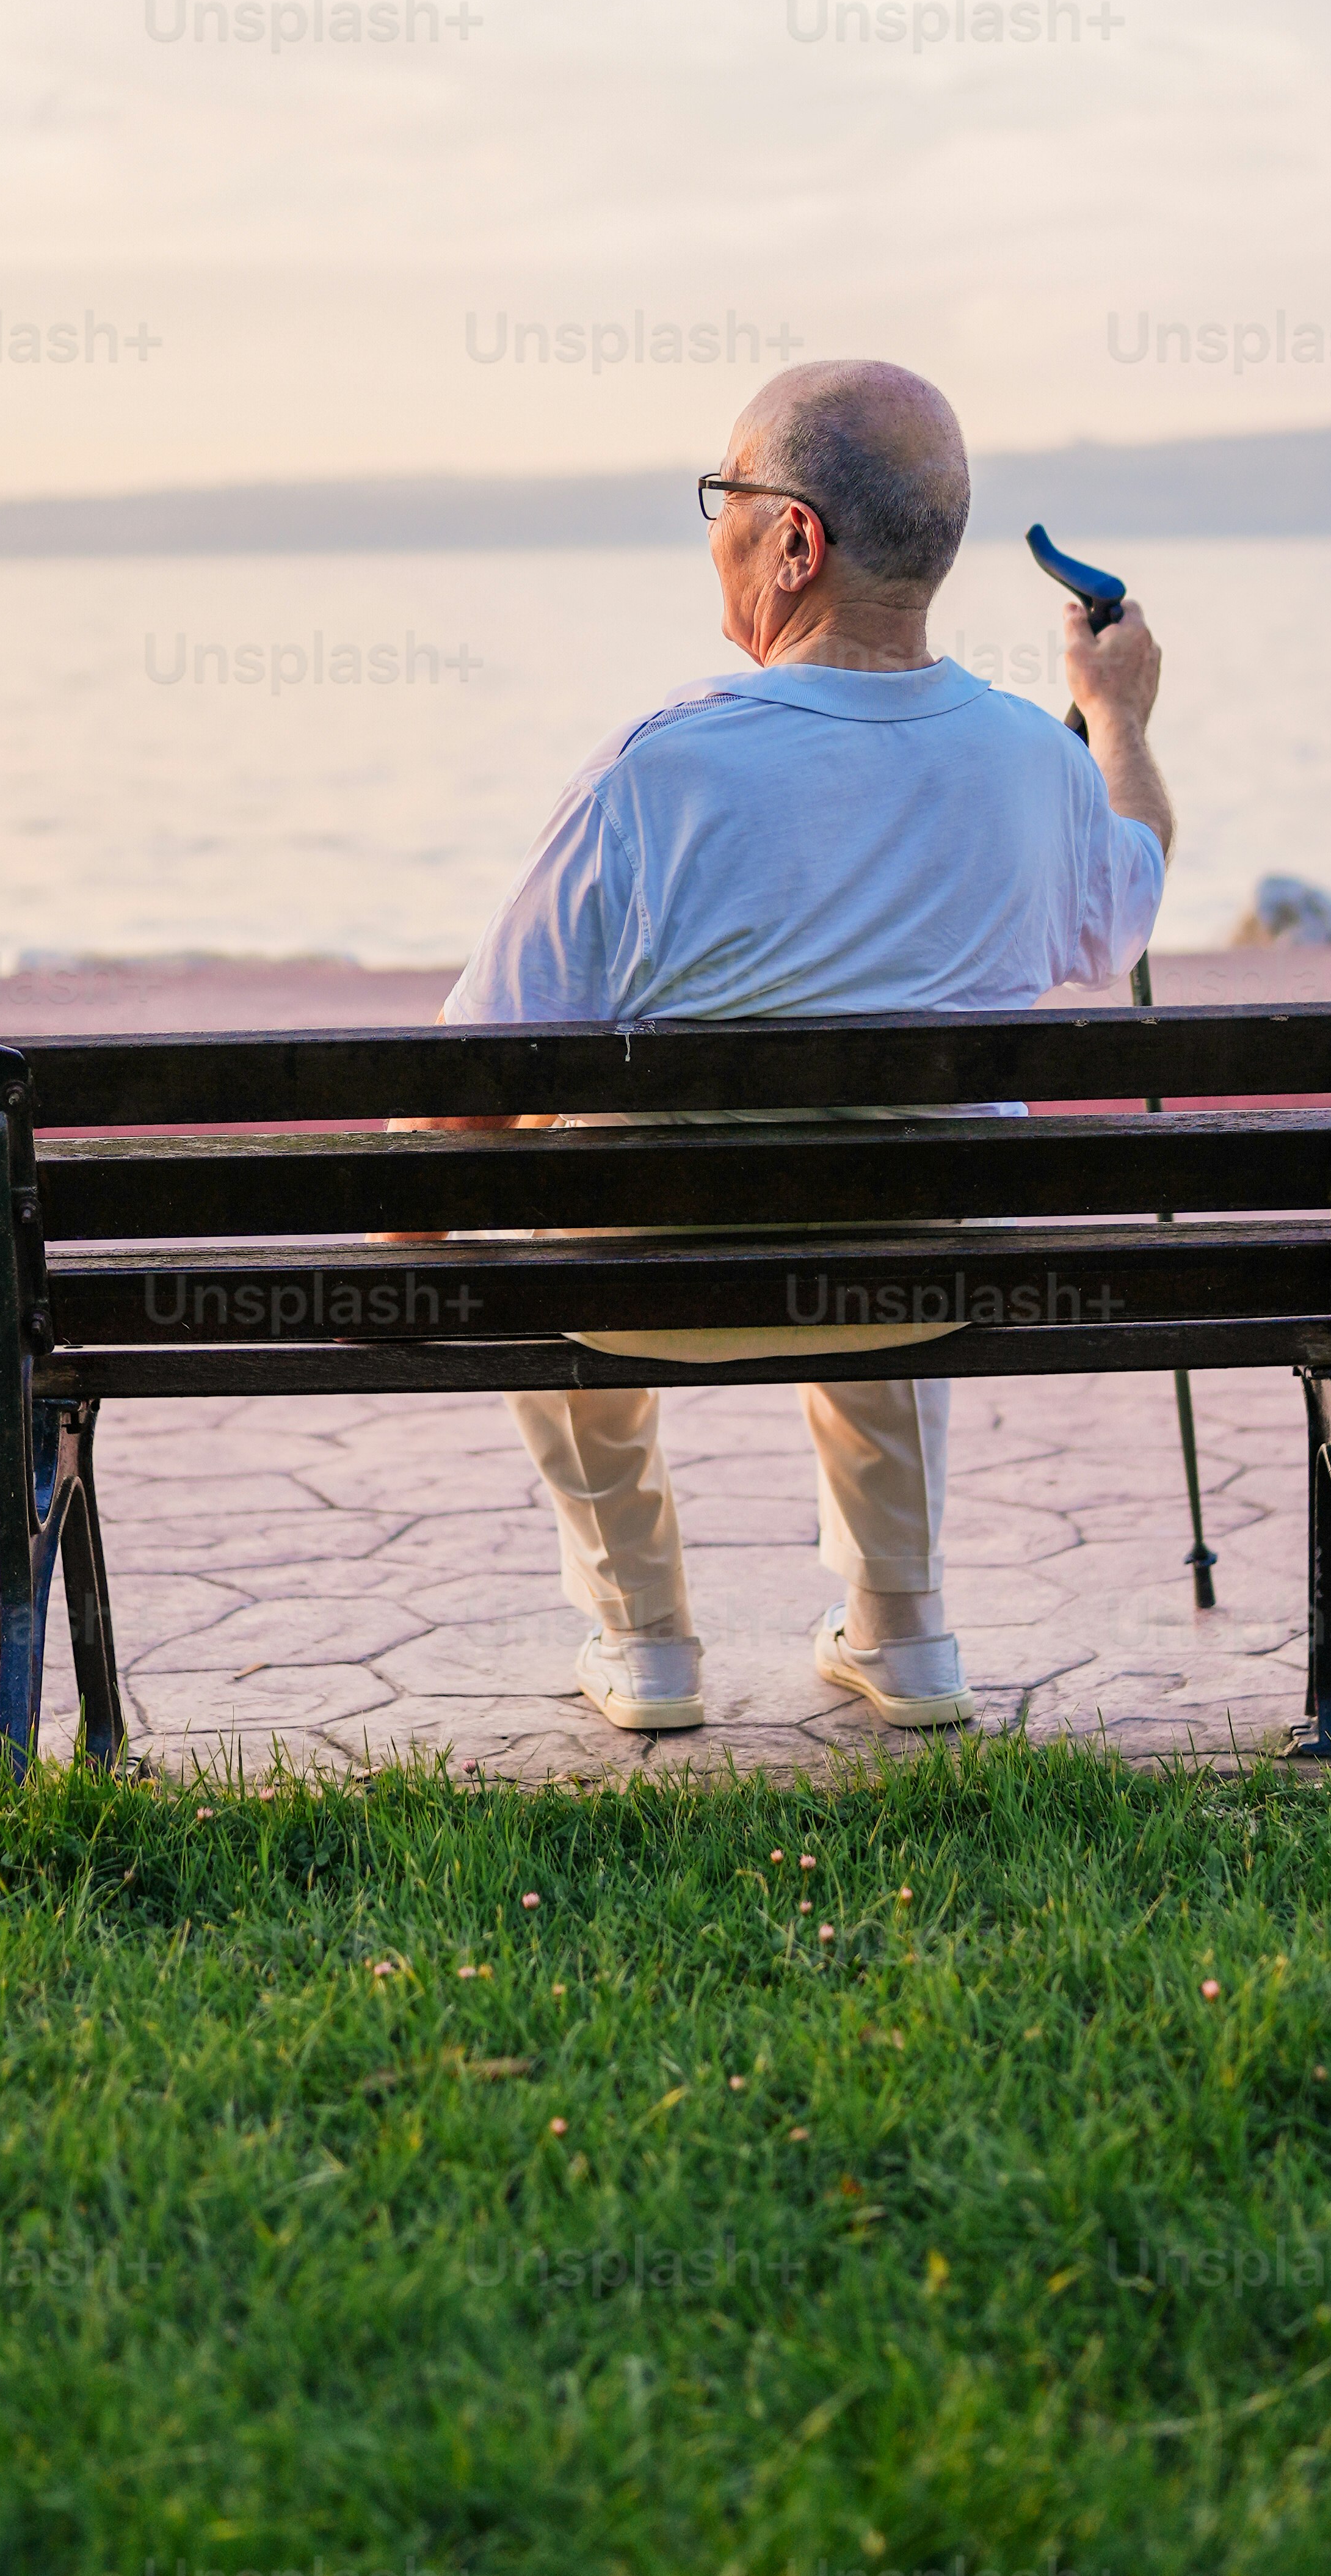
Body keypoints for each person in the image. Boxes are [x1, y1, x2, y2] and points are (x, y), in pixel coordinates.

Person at [443, 356, 1172, 1734]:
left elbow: (469, 1088)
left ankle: (645, 1640)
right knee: (897, 1187)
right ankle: (902, 1634)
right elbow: (1125, 913)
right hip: (930, 1280)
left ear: (794, 539)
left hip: (640, 1287)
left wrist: (411, 1218)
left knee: (542, 1200)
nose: (711, 527)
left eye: (725, 494)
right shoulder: (1036, 759)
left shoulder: (655, 769)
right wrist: (1118, 719)